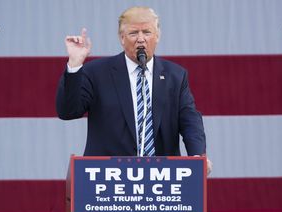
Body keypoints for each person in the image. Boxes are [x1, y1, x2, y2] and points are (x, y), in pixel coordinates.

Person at [56, 6, 212, 174]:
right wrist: (74, 64)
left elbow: (189, 120)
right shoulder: (96, 72)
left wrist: (197, 156)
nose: (140, 39)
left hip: (161, 176)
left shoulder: (175, 76)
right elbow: (68, 111)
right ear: (122, 38)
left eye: (147, 32)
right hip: (108, 177)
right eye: (133, 33)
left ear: (157, 36)